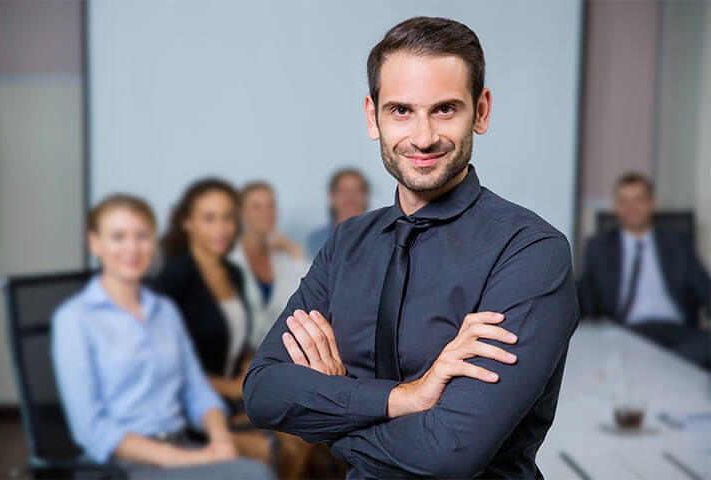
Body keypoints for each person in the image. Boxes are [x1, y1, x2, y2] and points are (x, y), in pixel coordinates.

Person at [243, 16, 579, 479]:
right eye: (401, 110)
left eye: (444, 109)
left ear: (480, 111)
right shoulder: (347, 243)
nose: (422, 137)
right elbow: (263, 392)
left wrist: (331, 419)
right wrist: (405, 398)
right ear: (372, 116)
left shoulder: (530, 252)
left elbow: (449, 451)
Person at [51, 194, 272, 479]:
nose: (132, 248)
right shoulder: (74, 319)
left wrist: (220, 440)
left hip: (183, 446)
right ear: (95, 243)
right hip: (118, 465)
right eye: (118, 237)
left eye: (141, 236)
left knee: (257, 472)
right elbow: (91, 428)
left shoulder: (164, 311)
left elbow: (196, 390)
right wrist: (179, 459)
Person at [155, 178, 312, 477]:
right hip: (193, 408)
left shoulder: (234, 273)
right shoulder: (174, 280)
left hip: (236, 397)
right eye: (209, 218)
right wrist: (232, 387)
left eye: (228, 218)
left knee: (305, 439)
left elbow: (237, 345)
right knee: (275, 452)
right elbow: (167, 367)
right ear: (188, 222)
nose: (222, 228)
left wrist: (255, 372)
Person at [578, 173, 710, 367]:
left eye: (639, 200)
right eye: (624, 201)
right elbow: (584, 297)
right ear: (616, 207)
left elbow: (706, 289)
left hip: (679, 335)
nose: (632, 208)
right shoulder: (599, 248)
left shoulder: (677, 244)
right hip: (627, 334)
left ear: (652, 203)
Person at [229, 181, 310, 349]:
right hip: (239, 355)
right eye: (257, 207)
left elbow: (308, 296)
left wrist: (294, 250)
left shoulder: (282, 260)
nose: (266, 213)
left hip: (280, 353)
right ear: (241, 213)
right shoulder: (230, 259)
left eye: (271, 205)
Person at [306, 168, 370, 257]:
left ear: (366, 198)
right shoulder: (316, 241)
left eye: (356, 191)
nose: (350, 198)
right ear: (331, 198)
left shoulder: (380, 238)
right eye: (344, 191)